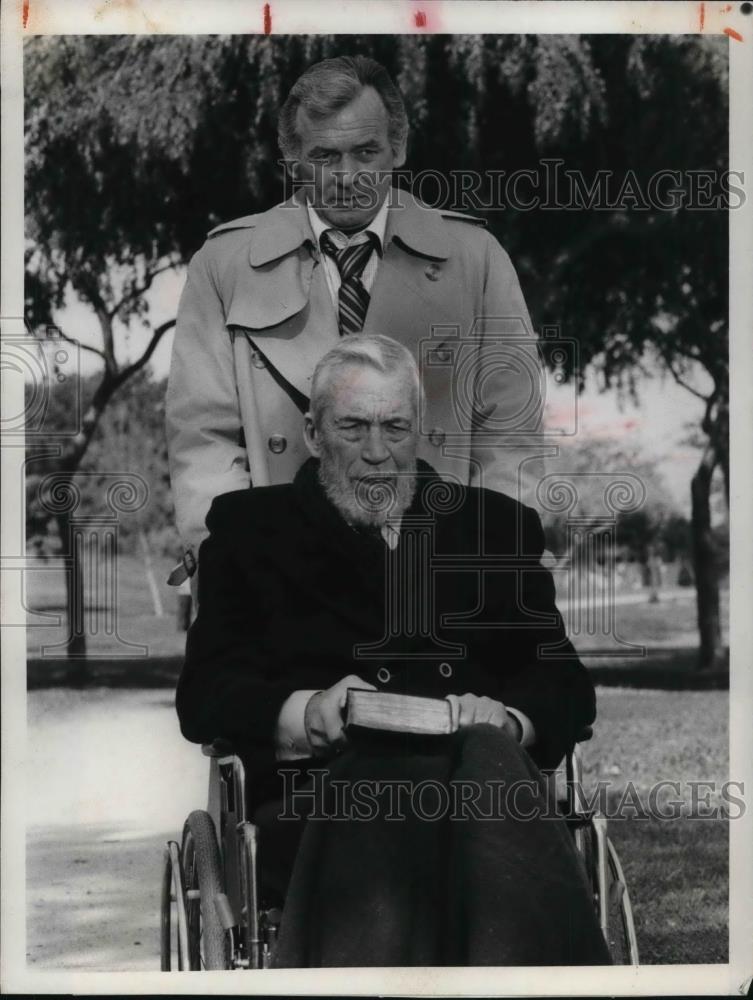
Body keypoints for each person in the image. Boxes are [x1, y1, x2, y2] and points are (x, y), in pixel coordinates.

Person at [176, 335, 609, 967]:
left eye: (395, 427)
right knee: (389, 778)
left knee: (488, 757)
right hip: (321, 797)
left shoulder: (494, 528)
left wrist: (510, 720)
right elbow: (204, 695)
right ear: (313, 432)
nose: (377, 453)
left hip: (483, 792)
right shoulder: (249, 532)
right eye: (352, 427)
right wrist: (307, 713)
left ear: (420, 429)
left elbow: (565, 686)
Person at [166, 54, 544, 585]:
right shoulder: (225, 263)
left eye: (366, 152)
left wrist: (496, 567)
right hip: (276, 576)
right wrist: (228, 561)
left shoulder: (474, 258)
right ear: (292, 158)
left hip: (437, 571)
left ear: (399, 148)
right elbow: (202, 435)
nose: (347, 177)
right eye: (325, 156)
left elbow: (509, 431)